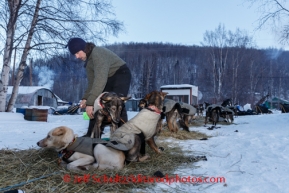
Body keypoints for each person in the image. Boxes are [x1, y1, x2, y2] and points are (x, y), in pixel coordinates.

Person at [66, 37, 131, 125]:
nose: (77, 57)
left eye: (77, 53)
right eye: (75, 55)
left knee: (116, 102)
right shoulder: (88, 63)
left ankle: (123, 133)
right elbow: (92, 83)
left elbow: (100, 80)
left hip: (121, 74)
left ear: (84, 48)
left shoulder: (97, 52)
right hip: (108, 78)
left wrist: (90, 102)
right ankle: (92, 134)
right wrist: (85, 99)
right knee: (97, 103)